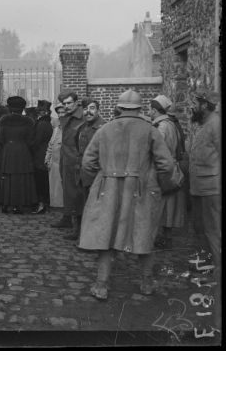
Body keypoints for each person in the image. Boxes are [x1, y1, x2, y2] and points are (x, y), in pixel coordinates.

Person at [78, 89, 178, 301]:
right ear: (140, 108)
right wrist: (157, 186)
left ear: (119, 108)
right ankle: (147, 283)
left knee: (106, 236)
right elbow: (167, 165)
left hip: (108, 189)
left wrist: (96, 182)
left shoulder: (104, 130)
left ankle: (101, 285)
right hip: (141, 190)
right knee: (143, 234)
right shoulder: (151, 130)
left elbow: (87, 163)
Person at [188, 89, 221, 331]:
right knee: (201, 232)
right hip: (200, 187)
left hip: (212, 189)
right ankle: (208, 272)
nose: (193, 107)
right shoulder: (204, 124)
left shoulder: (216, 125)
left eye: (197, 103)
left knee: (213, 233)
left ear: (206, 105)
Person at [66, 97, 106, 241]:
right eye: (85, 109)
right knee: (80, 203)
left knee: (94, 207)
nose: (88, 112)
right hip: (82, 172)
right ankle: (80, 233)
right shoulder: (83, 127)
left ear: (98, 110)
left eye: (92, 108)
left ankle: (93, 239)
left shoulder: (102, 128)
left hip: (95, 174)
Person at [149, 94, 186, 249]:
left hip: (163, 169)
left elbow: (158, 149)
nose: (149, 111)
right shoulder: (171, 124)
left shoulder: (162, 127)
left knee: (162, 204)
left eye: (150, 109)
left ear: (155, 110)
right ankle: (166, 237)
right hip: (171, 167)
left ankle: (162, 238)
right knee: (169, 205)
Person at [0, 95, 37, 214]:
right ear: (23, 108)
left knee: (7, 176)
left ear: (9, 107)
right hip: (23, 150)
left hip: (8, 149)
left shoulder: (3, 120)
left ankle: (5, 204)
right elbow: (31, 139)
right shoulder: (28, 121)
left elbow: (0, 138)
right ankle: (19, 205)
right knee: (21, 177)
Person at [51, 89, 85, 230]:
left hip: (76, 162)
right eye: (64, 104)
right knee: (68, 191)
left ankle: (78, 227)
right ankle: (67, 217)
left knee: (77, 194)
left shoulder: (81, 118)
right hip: (66, 160)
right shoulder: (67, 117)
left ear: (76, 102)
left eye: (70, 103)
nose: (66, 106)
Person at [31, 100, 53, 214]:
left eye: (41, 111)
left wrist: (31, 147)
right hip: (44, 152)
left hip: (40, 154)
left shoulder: (41, 124)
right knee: (44, 180)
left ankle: (41, 204)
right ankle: (44, 203)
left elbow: (37, 141)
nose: (39, 113)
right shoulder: (48, 123)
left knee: (40, 180)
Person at [45, 103, 65, 210]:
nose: (61, 115)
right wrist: (47, 159)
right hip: (54, 162)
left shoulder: (70, 128)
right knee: (55, 188)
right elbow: (51, 145)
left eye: (63, 112)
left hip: (64, 163)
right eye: (59, 113)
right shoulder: (56, 129)